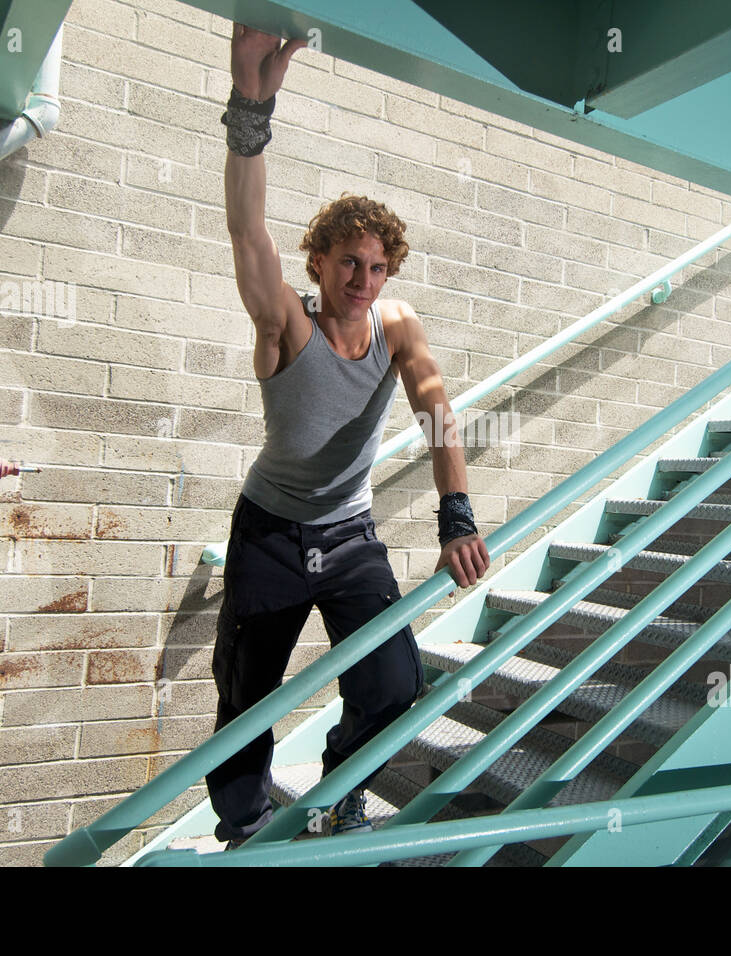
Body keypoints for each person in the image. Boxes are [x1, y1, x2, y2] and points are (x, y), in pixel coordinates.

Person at [205, 26, 491, 847]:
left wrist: (457, 516)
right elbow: (245, 231)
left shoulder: (397, 325)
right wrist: (252, 107)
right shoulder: (284, 324)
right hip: (268, 533)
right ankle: (246, 828)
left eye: (375, 268)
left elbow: (437, 412)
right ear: (320, 262)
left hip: (350, 534)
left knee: (394, 681)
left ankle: (340, 790)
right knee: (245, 695)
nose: (361, 282)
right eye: (346, 265)